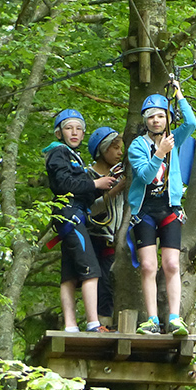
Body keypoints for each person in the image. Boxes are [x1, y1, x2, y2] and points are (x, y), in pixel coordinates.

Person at [127, 79, 196, 336]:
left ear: (167, 118)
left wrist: (179, 96)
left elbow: (191, 123)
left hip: (170, 209)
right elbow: (144, 177)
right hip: (144, 210)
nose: (156, 121)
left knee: (171, 264)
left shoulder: (173, 139)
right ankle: (152, 319)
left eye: (160, 116)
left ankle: (175, 317)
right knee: (148, 266)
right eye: (151, 117)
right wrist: (159, 154)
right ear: (145, 121)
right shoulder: (138, 145)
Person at [42, 109, 117, 333]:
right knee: (91, 269)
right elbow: (63, 184)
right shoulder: (59, 153)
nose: (74, 133)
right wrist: (95, 184)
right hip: (70, 215)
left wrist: (108, 185)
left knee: (70, 274)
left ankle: (70, 326)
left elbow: (81, 192)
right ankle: (94, 324)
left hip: (72, 215)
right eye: (68, 128)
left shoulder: (73, 156)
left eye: (78, 129)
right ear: (59, 133)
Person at [86, 127, 126, 328]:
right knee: (95, 278)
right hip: (94, 235)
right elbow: (90, 209)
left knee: (109, 281)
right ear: (102, 150)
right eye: (115, 148)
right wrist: (115, 190)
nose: (120, 152)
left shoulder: (121, 174)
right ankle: (96, 322)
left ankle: (107, 321)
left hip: (114, 236)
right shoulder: (88, 175)